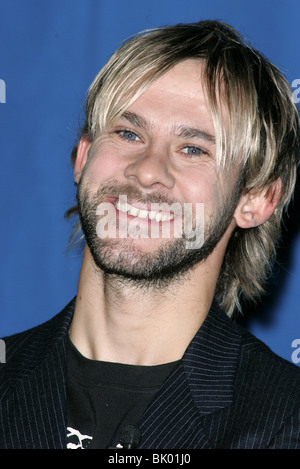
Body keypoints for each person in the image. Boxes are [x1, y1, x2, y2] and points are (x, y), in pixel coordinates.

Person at [1, 20, 300, 450]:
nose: (146, 170)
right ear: (83, 158)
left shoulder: (285, 419)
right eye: (128, 133)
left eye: (193, 149)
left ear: (256, 199)